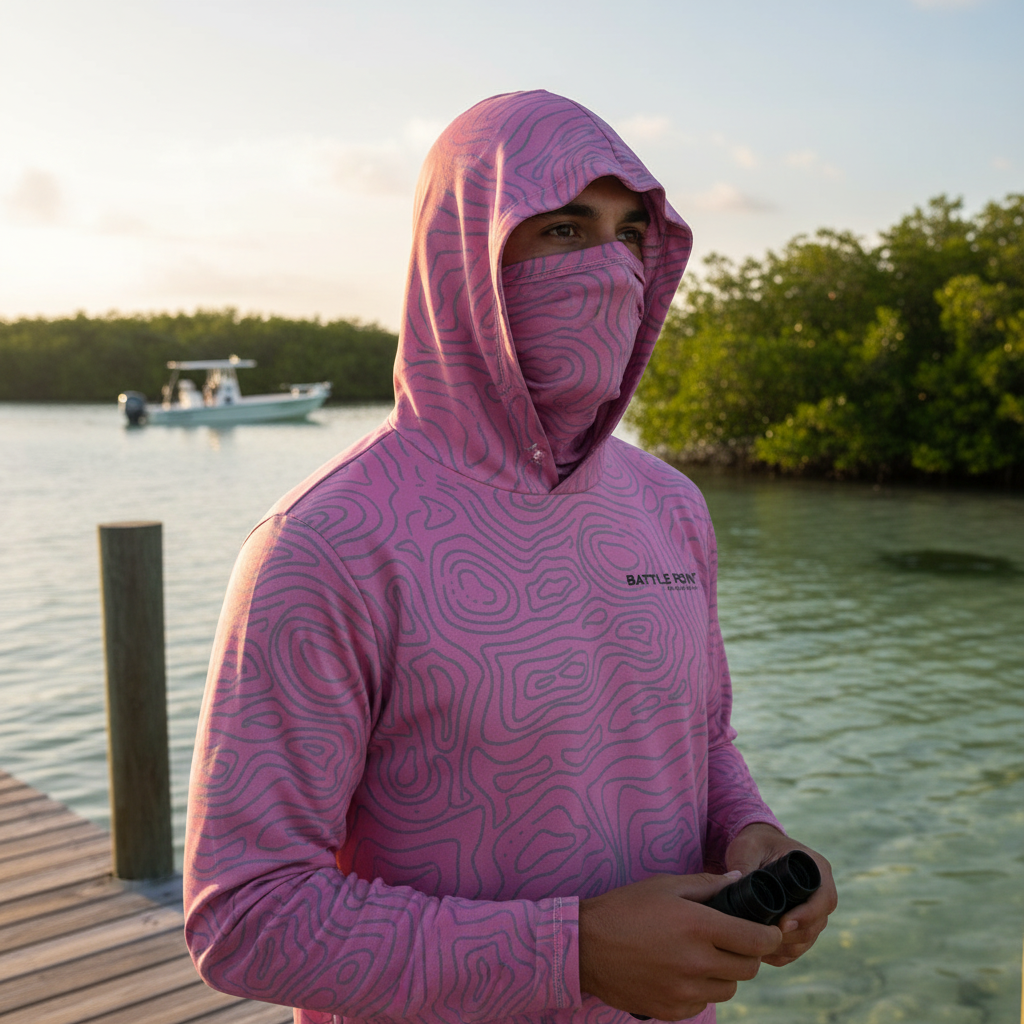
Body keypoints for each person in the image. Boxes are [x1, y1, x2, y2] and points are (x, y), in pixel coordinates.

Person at [184, 89, 837, 1024]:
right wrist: (572, 954)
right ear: (463, 252)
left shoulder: (671, 507)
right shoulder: (328, 543)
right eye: (566, 229)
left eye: (630, 234)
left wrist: (753, 835)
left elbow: (701, 743)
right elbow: (245, 917)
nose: (611, 268)